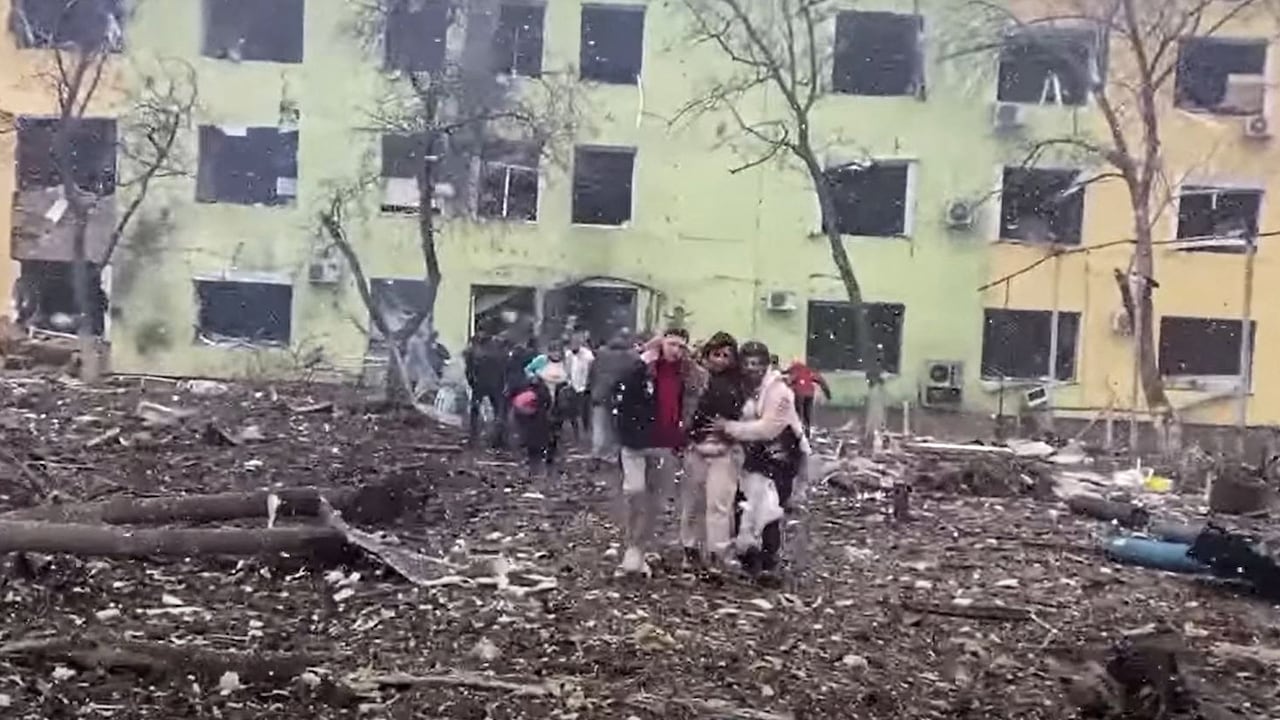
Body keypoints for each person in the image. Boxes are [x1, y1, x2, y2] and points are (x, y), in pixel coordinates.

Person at [613, 328, 706, 577]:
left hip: (666, 444)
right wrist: (645, 356)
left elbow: (696, 396)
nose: (676, 350)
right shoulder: (643, 369)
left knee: (655, 502)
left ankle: (640, 548)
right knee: (634, 492)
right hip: (635, 442)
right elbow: (620, 385)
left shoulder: (687, 374)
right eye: (672, 344)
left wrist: (684, 434)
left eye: (681, 346)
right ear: (661, 344)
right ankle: (633, 546)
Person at [714, 341, 809, 581]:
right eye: (746, 363)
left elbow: (769, 428)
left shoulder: (778, 391)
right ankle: (749, 557)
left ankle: (768, 563)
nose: (751, 368)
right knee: (744, 505)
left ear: (766, 365)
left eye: (757, 363)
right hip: (752, 455)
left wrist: (730, 428)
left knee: (770, 508)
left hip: (781, 454)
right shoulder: (743, 387)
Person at [681, 331, 744, 569]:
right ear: (707, 354)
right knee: (693, 502)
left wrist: (729, 435)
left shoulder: (739, 384)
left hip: (725, 451)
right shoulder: (695, 379)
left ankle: (718, 552)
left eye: (726, 356)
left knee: (719, 504)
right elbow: (684, 410)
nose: (720, 360)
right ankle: (690, 548)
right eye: (716, 354)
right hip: (695, 447)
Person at [514, 344, 569, 476]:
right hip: (542, 398)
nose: (555, 355)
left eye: (558, 352)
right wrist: (534, 379)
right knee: (540, 427)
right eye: (553, 352)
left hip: (558, 399)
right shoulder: (541, 360)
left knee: (556, 427)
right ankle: (535, 455)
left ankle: (551, 454)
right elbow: (528, 370)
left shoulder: (566, 362)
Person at [585, 332, 637, 465]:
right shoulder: (632, 356)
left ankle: (597, 452)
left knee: (599, 425)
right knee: (615, 427)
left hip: (599, 394)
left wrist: (590, 389)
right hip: (619, 396)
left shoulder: (601, 354)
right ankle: (612, 454)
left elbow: (592, 373)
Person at [463, 330, 510, 448]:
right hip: (497, 385)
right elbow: (506, 369)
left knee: (475, 410)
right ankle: (499, 439)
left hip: (480, 385)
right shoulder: (501, 350)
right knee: (499, 411)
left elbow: (469, 371)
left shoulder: (472, 351)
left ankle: (473, 438)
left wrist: (472, 383)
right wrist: (505, 384)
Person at [784, 357, 830, 438]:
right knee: (807, 415)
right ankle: (807, 434)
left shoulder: (794, 369)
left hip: (800, 394)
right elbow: (821, 380)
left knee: (798, 415)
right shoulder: (808, 370)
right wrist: (828, 394)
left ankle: (798, 434)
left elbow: (789, 380)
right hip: (810, 394)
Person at [563, 332, 595, 442]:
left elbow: (591, 370)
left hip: (584, 387)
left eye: (576, 343)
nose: (574, 346)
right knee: (572, 411)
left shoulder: (588, 355)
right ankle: (576, 433)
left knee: (584, 411)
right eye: (572, 344)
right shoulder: (568, 355)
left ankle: (586, 432)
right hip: (572, 386)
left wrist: (589, 384)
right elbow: (566, 369)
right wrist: (567, 382)